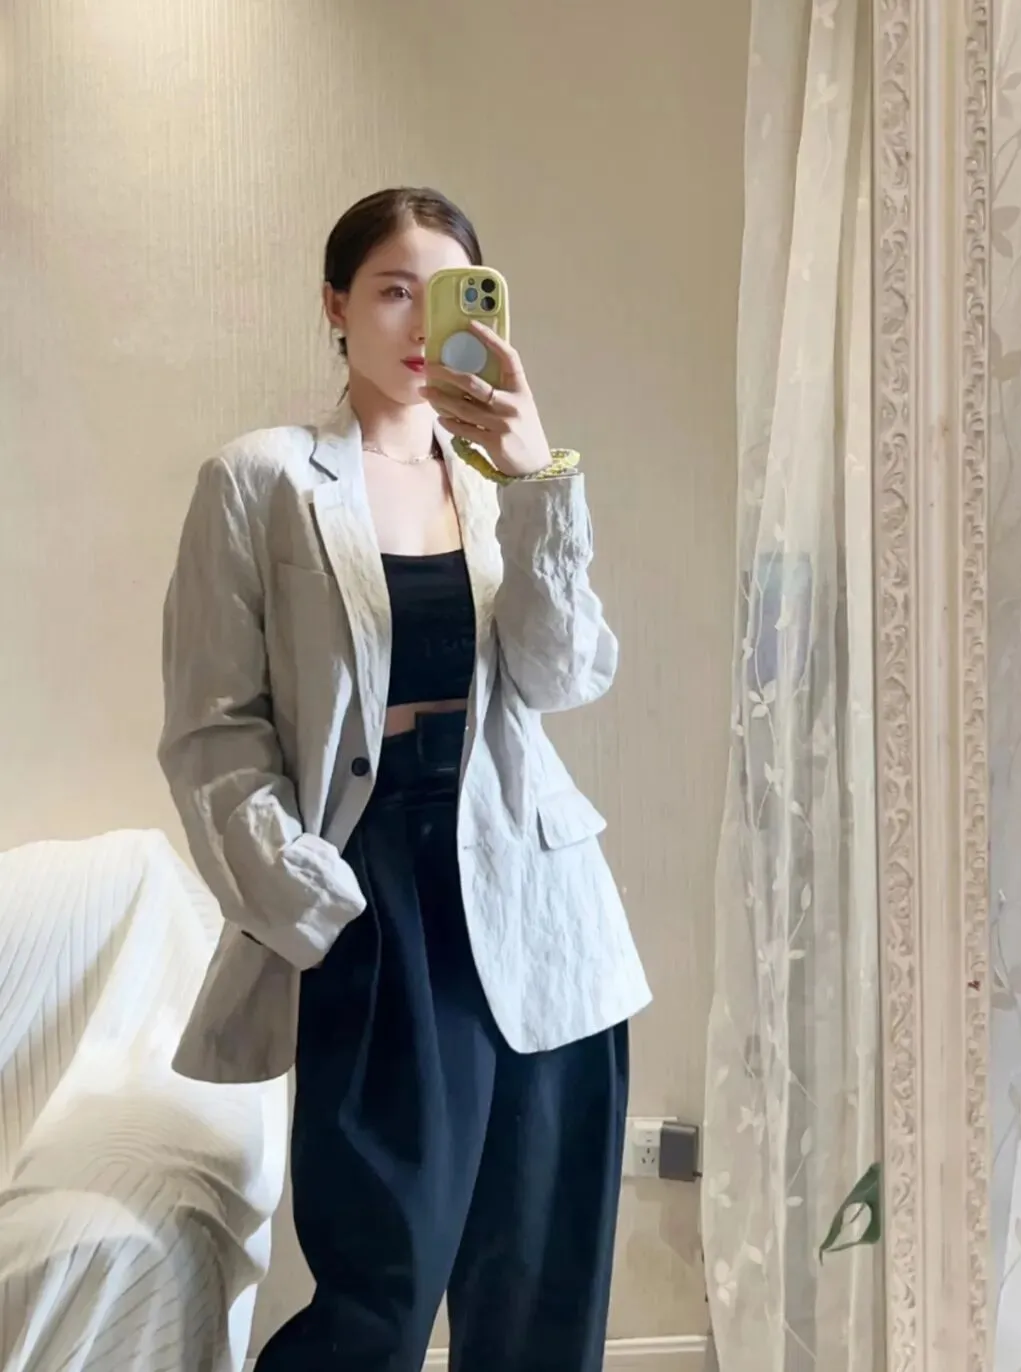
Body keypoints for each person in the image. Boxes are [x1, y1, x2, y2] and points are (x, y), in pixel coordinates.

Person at [158, 186, 651, 1372]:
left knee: (539, 1295)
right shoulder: (261, 480)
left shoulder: (491, 484)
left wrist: (538, 480)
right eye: (392, 290)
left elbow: (560, 672)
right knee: (379, 1289)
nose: (422, 323)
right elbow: (213, 732)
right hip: (372, 893)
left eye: (446, 295)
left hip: (534, 896)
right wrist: (308, 898)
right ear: (335, 305)